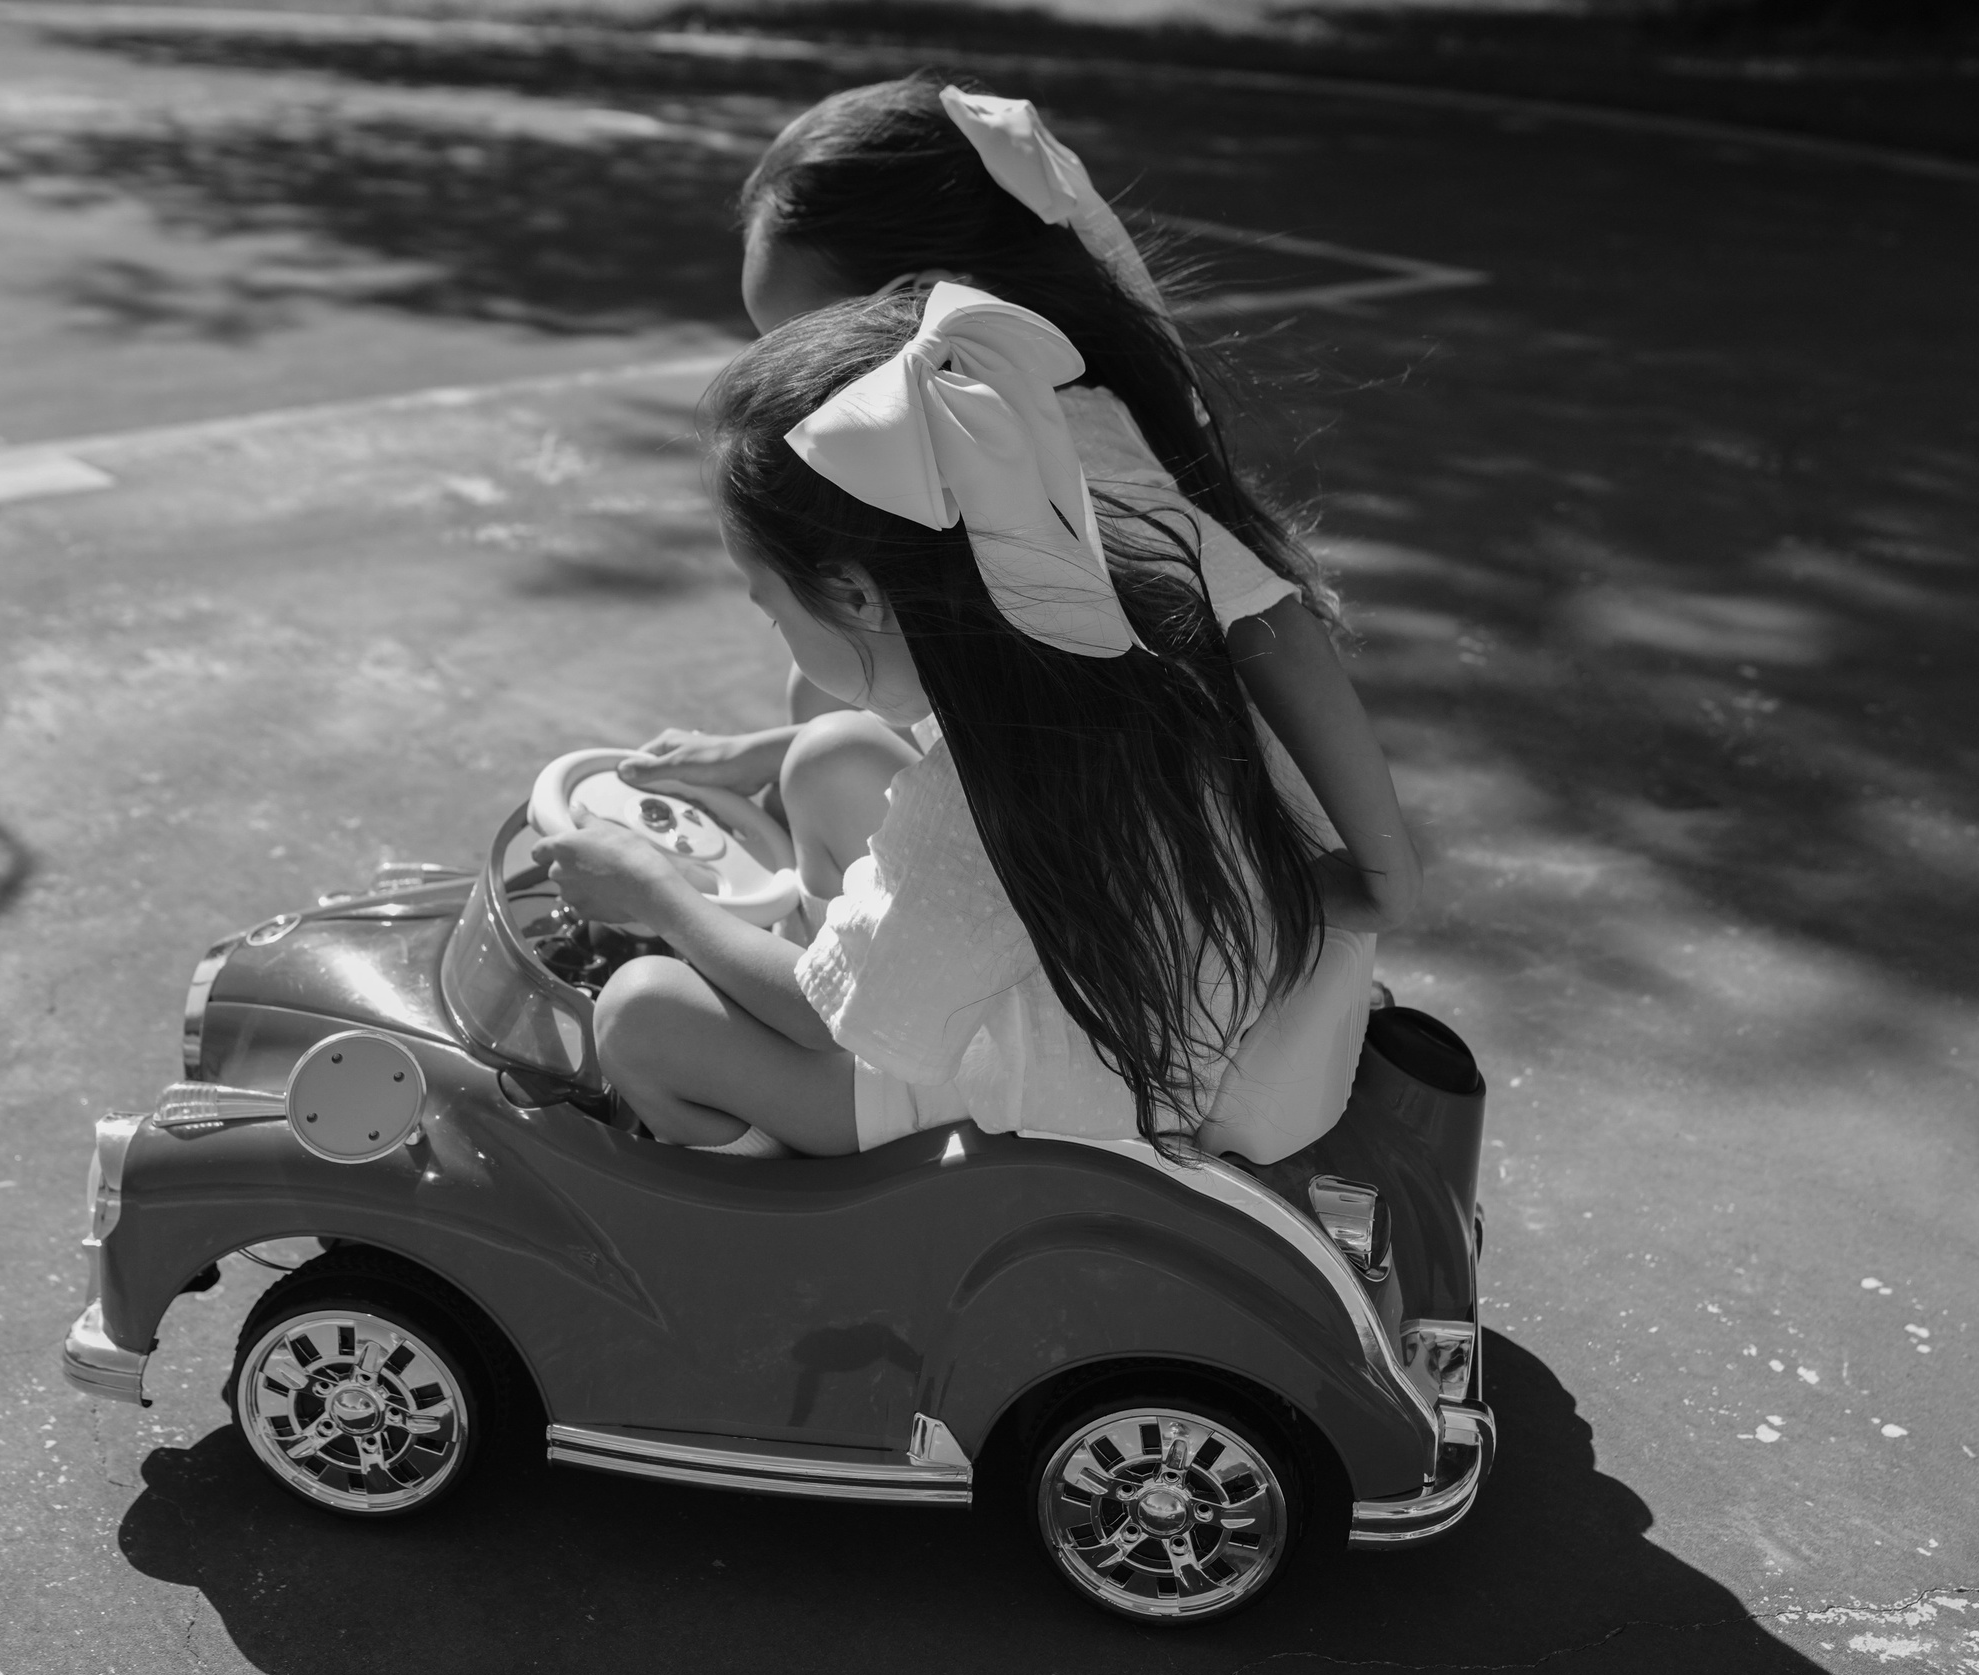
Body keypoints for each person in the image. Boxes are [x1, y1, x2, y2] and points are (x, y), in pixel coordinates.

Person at [533, 284, 1349, 1162]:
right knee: (829, 751)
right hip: (1118, 1021)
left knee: (642, 1012)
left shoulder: (978, 805)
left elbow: (818, 1021)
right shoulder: (1094, 655)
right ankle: (809, 962)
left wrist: (655, 891)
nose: (775, 628)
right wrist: (761, 755)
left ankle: (780, 1207)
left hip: (1042, 1103)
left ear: (853, 593)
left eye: (772, 608)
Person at [621, 74, 1419, 950]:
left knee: (824, 761)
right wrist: (769, 749)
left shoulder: (1049, 453)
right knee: (819, 690)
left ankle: (846, 1022)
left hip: (1166, 918)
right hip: (1145, 848)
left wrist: (1378, 883)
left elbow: (1266, 617)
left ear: (921, 295)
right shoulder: (1002, 406)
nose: (790, 375)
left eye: (803, 335)